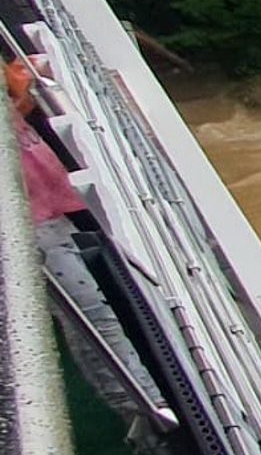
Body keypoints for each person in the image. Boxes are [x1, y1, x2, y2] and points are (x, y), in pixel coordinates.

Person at [9, 54, 165, 430]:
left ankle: (142, 403)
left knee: (89, 314)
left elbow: (20, 92)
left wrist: (31, 76)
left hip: (46, 209)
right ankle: (142, 407)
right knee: (90, 316)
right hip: (27, 221)